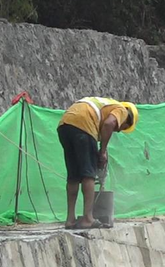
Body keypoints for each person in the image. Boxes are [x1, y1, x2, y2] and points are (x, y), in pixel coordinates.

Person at [57, 97, 139, 229]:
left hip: (65, 125)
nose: (118, 130)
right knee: (88, 175)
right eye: (121, 128)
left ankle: (70, 219)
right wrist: (103, 151)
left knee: (73, 176)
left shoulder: (104, 104)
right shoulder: (122, 110)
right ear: (127, 121)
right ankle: (88, 219)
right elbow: (109, 124)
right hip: (84, 124)